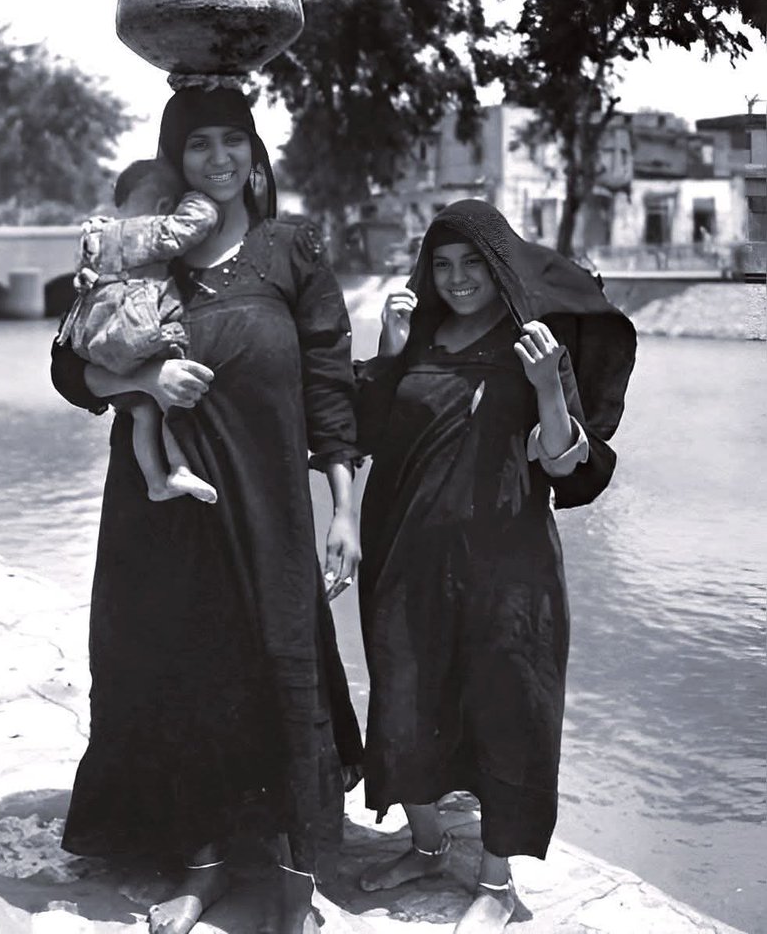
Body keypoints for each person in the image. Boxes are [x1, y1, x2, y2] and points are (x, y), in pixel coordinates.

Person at [50, 85, 363, 934]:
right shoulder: (151, 249)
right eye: (198, 145)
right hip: (164, 511)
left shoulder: (290, 249)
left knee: (281, 663)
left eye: (233, 141)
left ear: (255, 155)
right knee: (182, 669)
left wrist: (344, 509)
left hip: (270, 506)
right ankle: (204, 865)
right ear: (174, 159)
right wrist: (145, 378)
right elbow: (68, 364)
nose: (218, 159)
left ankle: (294, 883)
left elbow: (331, 382)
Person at [354, 199, 636, 933]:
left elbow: (567, 465)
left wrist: (546, 385)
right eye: (443, 265)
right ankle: (426, 845)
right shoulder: (417, 336)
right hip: (410, 556)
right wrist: (388, 352)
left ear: (500, 265)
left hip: (510, 568)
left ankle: (495, 883)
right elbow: (367, 432)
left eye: (473, 264)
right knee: (406, 698)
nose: (457, 279)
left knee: (507, 710)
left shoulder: (535, 343)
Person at [57, 157, 220, 504]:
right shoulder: (148, 231)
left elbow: (82, 278)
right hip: (135, 332)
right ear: (163, 207)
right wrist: (198, 196)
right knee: (169, 395)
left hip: (98, 342)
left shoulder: (96, 235)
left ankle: (156, 483)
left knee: (143, 410)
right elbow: (194, 224)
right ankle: (179, 466)